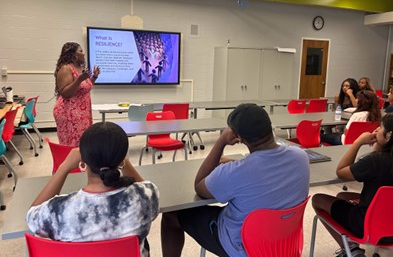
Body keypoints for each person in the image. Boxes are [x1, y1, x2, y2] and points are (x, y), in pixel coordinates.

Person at [160, 103, 310, 257]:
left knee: (171, 215)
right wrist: (238, 163)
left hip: (242, 247)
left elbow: (199, 186)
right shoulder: (301, 157)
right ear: (269, 126)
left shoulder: (236, 172)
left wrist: (221, 142)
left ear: (239, 137)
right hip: (284, 243)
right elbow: (265, 168)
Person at [26, 122, 159, 257]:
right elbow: (147, 193)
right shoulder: (145, 196)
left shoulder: (59, 211)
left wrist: (64, 167)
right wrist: (122, 161)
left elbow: (31, 217)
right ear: (121, 159)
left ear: (83, 160)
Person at [312, 113, 393, 256]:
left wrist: (357, 142)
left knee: (317, 199)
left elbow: (341, 172)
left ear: (388, 135)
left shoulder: (375, 161)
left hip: (366, 227)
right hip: (390, 229)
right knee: (342, 196)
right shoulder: (380, 159)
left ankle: (352, 250)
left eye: (381, 127)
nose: (376, 130)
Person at [53, 42, 100, 146]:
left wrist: (94, 77)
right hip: (68, 112)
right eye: (80, 51)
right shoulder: (66, 68)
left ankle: (82, 162)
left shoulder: (80, 69)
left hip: (81, 112)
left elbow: (84, 87)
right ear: (73, 56)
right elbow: (65, 93)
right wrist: (79, 79)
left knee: (83, 142)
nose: (83, 54)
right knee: (72, 144)